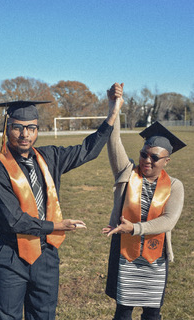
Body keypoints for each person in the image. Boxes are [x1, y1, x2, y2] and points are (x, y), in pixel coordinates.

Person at [0, 87, 123, 320]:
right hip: (11, 256)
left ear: (37, 129)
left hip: (46, 256)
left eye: (31, 128)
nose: (25, 134)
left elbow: (88, 150)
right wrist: (56, 226)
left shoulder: (49, 157)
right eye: (18, 127)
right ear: (7, 129)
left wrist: (112, 112)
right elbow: (14, 220)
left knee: (44, 315)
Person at [102, 83, 186, 320]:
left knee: (152, 313)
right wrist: (113, 106)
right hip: (126, 255)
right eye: (143, 154)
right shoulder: (127, 172)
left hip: (155, 258)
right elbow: (113, 140)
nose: (147, 160)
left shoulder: (175, 186)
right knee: (123, 311)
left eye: (155, 157)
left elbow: (168, 221)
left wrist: (135, 228)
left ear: (166, 161)